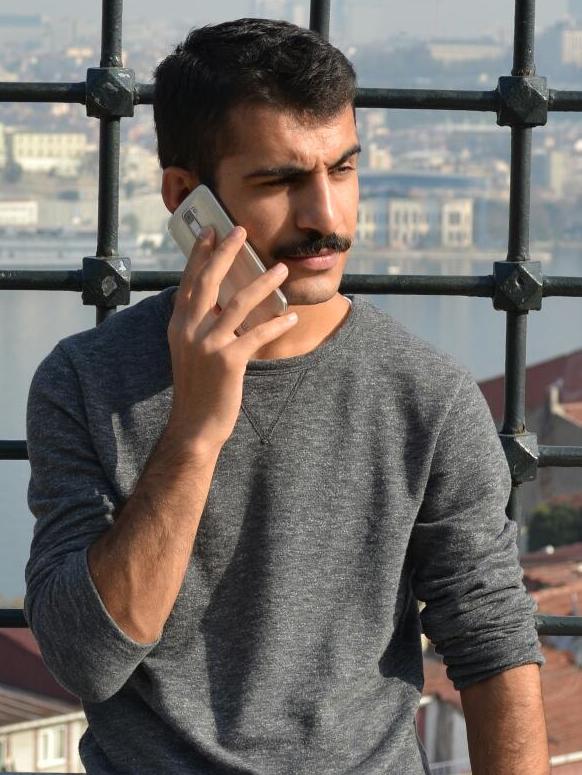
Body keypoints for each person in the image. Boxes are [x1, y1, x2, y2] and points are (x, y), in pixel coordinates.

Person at [24, 18, 549, 775]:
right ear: (186, 198)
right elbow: (86, 661)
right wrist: (195, 432)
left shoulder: (426, 397)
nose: (326, 218)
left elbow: (494, 643)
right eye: (279, 182)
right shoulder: (85, 382)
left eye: (343, 169)